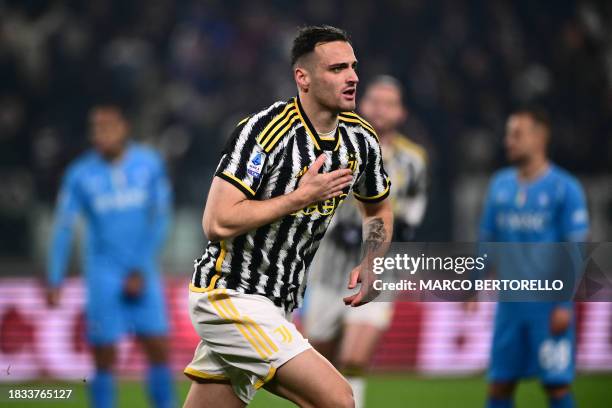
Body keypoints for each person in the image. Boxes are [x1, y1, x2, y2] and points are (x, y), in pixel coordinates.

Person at [182, 25, 394, 408]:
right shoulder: (263, 132)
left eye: (353, 66)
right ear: (303, 77)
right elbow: (216, 222)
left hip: (279, 304)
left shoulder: (361, 140)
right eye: (337, 68)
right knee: (339, 400)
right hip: (230, 294)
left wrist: (373, 260)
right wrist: (300, 197)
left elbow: (378, 204)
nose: (353, 77)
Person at [304, 75, 428, 408]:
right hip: (329, 271)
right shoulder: (335, 144)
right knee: (319, 363)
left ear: (401, 113)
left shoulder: (413, 161)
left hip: (378, 272)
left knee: (354, 358)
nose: (380, 109)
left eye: (389, 103)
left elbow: (411, 220)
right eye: (374, 100)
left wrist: (379, 232)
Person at [46, 103, 175, 408]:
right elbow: (63, 227)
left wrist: (140, 266)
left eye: (108, 127)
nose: (101, 134)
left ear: (124, 128)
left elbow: (161, 218)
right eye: (96, 128)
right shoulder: (79, 174)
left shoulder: (149, 164)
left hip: (142, 270)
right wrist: (55, 277)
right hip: (103, 273)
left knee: (157, 346)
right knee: (104, 355)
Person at [478, 108, 589, 408]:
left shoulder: (565, 188)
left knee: (557, 385)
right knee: (500, 384)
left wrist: (564, 303)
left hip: (547, 305)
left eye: (517, 134)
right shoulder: (500, 185)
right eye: (507, 134)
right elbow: (488, 237)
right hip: (509, 306)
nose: (508, 141)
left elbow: (574, 249)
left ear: (540, 138)